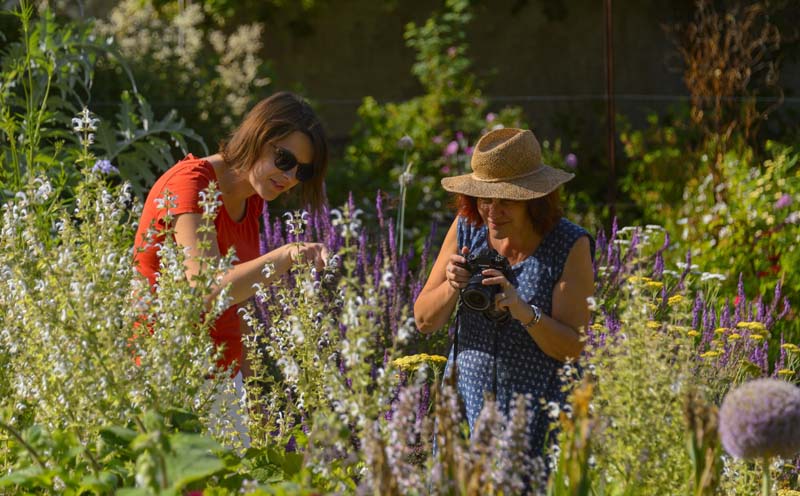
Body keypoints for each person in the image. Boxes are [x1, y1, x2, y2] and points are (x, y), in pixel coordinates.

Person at [413, 128, 594, 470]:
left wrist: (525, 313)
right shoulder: (467, 227)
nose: (492, 211)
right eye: (485, 198)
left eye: (506, 200)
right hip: (467, 404)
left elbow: (573, 347)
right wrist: (453, 285)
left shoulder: (568, 244)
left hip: (537, 416)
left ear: (533, 200)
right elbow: (424, 320)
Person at [133, 91, 330, 374]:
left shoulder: (252, 200)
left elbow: (238, 303)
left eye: (303, 172)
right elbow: (207, 289)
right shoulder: (189, 183)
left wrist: (253, 394)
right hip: (167, 374)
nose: (289, 178)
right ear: (258, 136)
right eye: (285, 160)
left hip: (221, 380)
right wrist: (287, 254)